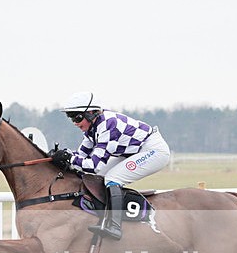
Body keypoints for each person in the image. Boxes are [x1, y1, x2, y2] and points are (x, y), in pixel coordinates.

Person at [51, 91, 171, 240]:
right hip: (133, 151)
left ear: (91, 113)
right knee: (95, 177)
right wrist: (64, 156)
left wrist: (69, 158)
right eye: (71, 118)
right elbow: (82, 156)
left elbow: (94, 165)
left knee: (112, 178)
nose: (75, 123)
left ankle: (114, 226)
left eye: (77, 117)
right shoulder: (92, 127)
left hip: (153, 151)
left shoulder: (108, 125)